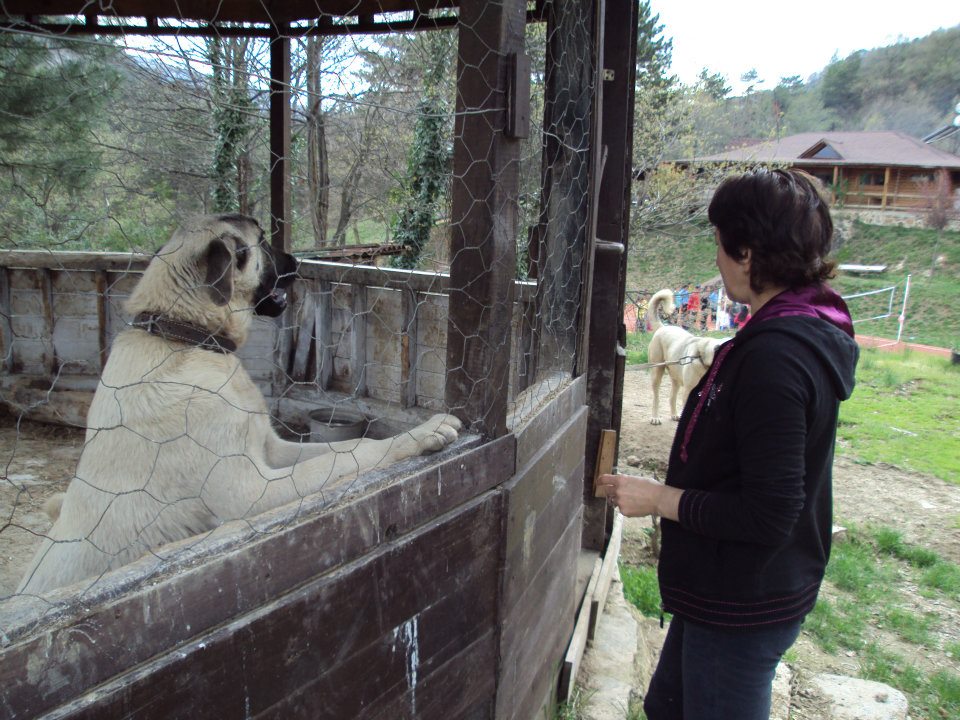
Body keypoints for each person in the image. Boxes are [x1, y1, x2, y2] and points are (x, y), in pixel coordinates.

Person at [599, 168, 859, 720]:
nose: (715, 258)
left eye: (719, 242)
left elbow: (769, 514)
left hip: (744, 599)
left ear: (746, 252)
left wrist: (658, 498)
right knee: (668, 707)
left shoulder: (777, 358)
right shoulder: (783, 333)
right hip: (725, 587)